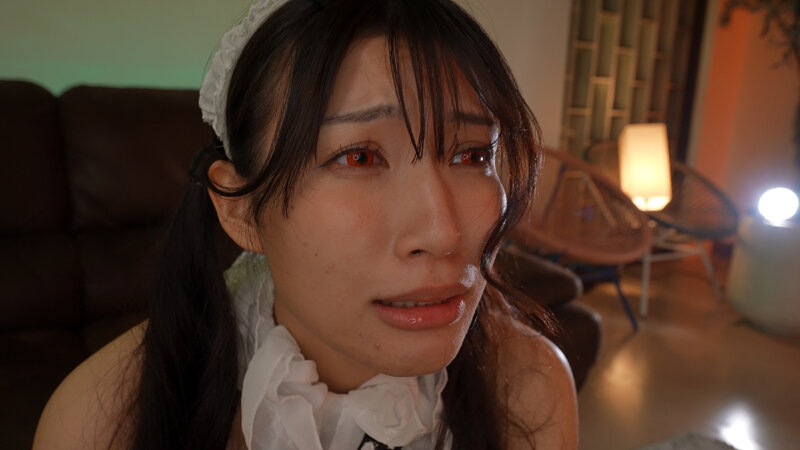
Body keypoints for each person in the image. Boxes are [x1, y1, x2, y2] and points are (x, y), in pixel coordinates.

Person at [33, 0, 578, 448]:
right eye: (359, 157)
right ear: (241, 209)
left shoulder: (529, 387)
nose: (444, 233)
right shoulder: (100, 422)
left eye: (473, 154)